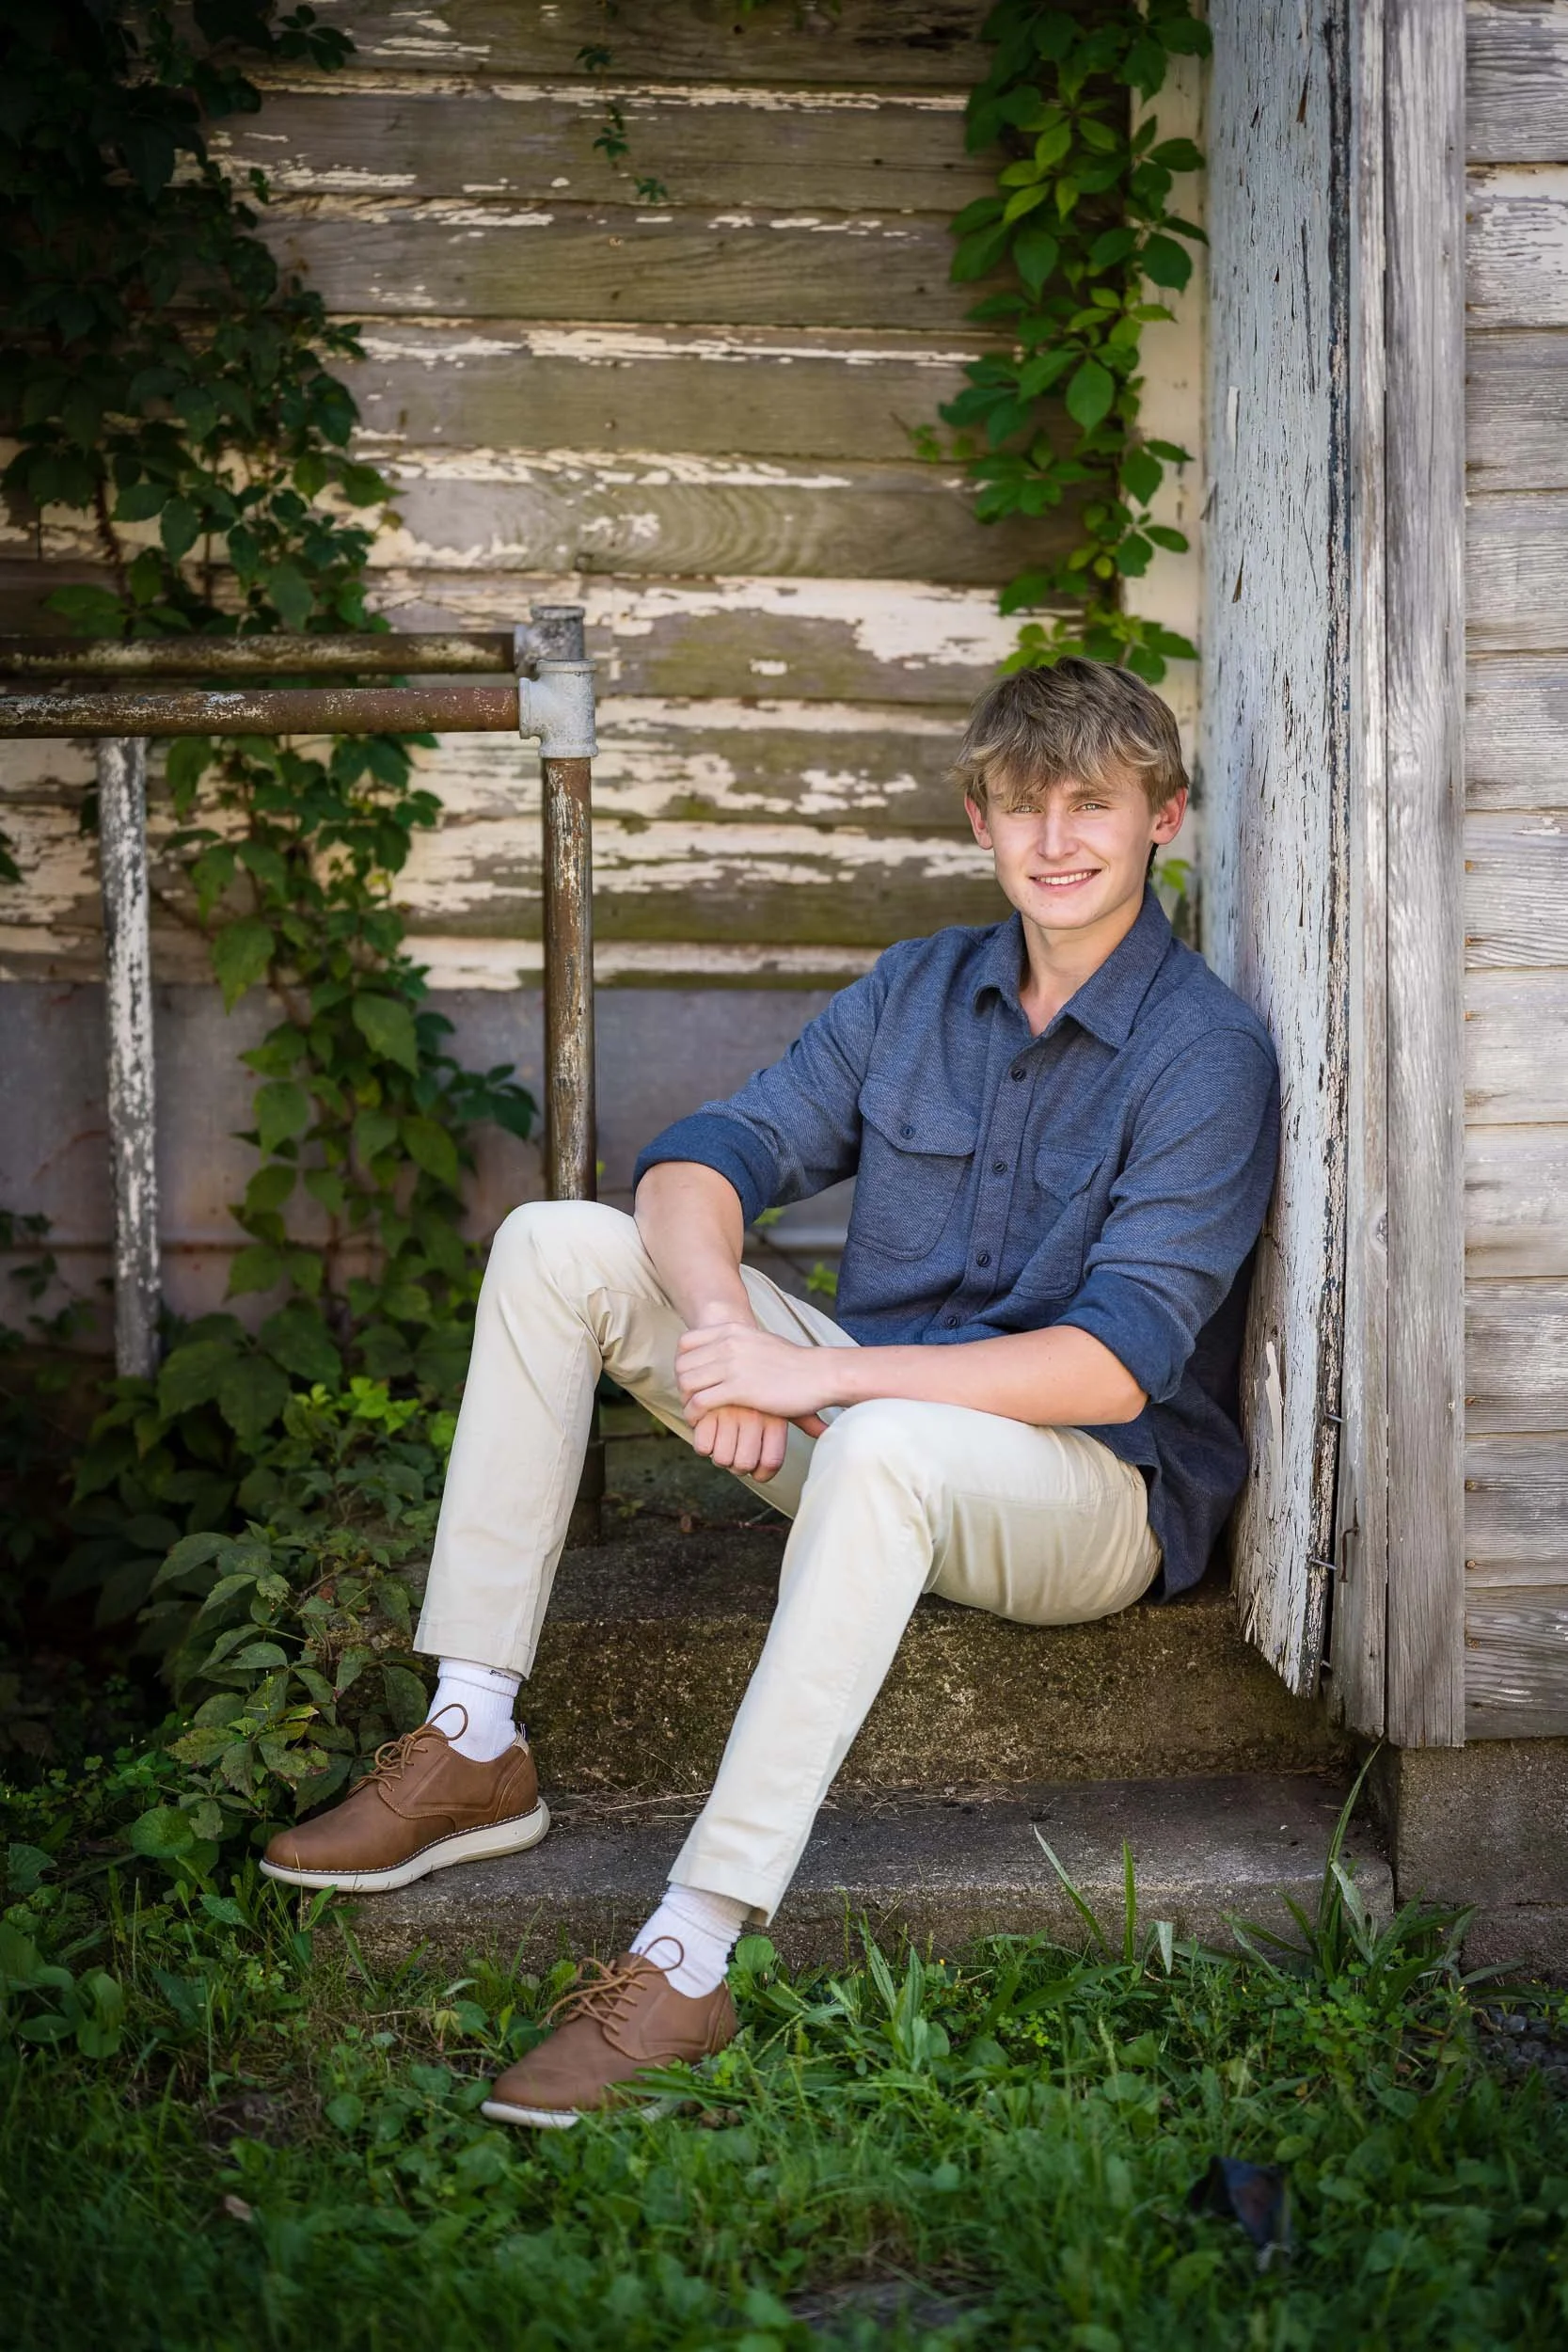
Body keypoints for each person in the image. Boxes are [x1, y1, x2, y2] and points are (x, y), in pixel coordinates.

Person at [261, 658, 1280, 2129]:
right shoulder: (917, 988)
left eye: (1094, 807)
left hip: (1087, 1496)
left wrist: (814, 1373)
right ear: (977, 824)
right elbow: (705, 1156)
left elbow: (1112, 1358)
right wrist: (729, 1329)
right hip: (867, 1427)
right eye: (1024, 808)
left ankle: (689, 1948)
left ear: (1160, 819)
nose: (1058, 840)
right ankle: (476, 1737)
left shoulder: (1206, 1053)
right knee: (563, 1244)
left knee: (881, 1446)